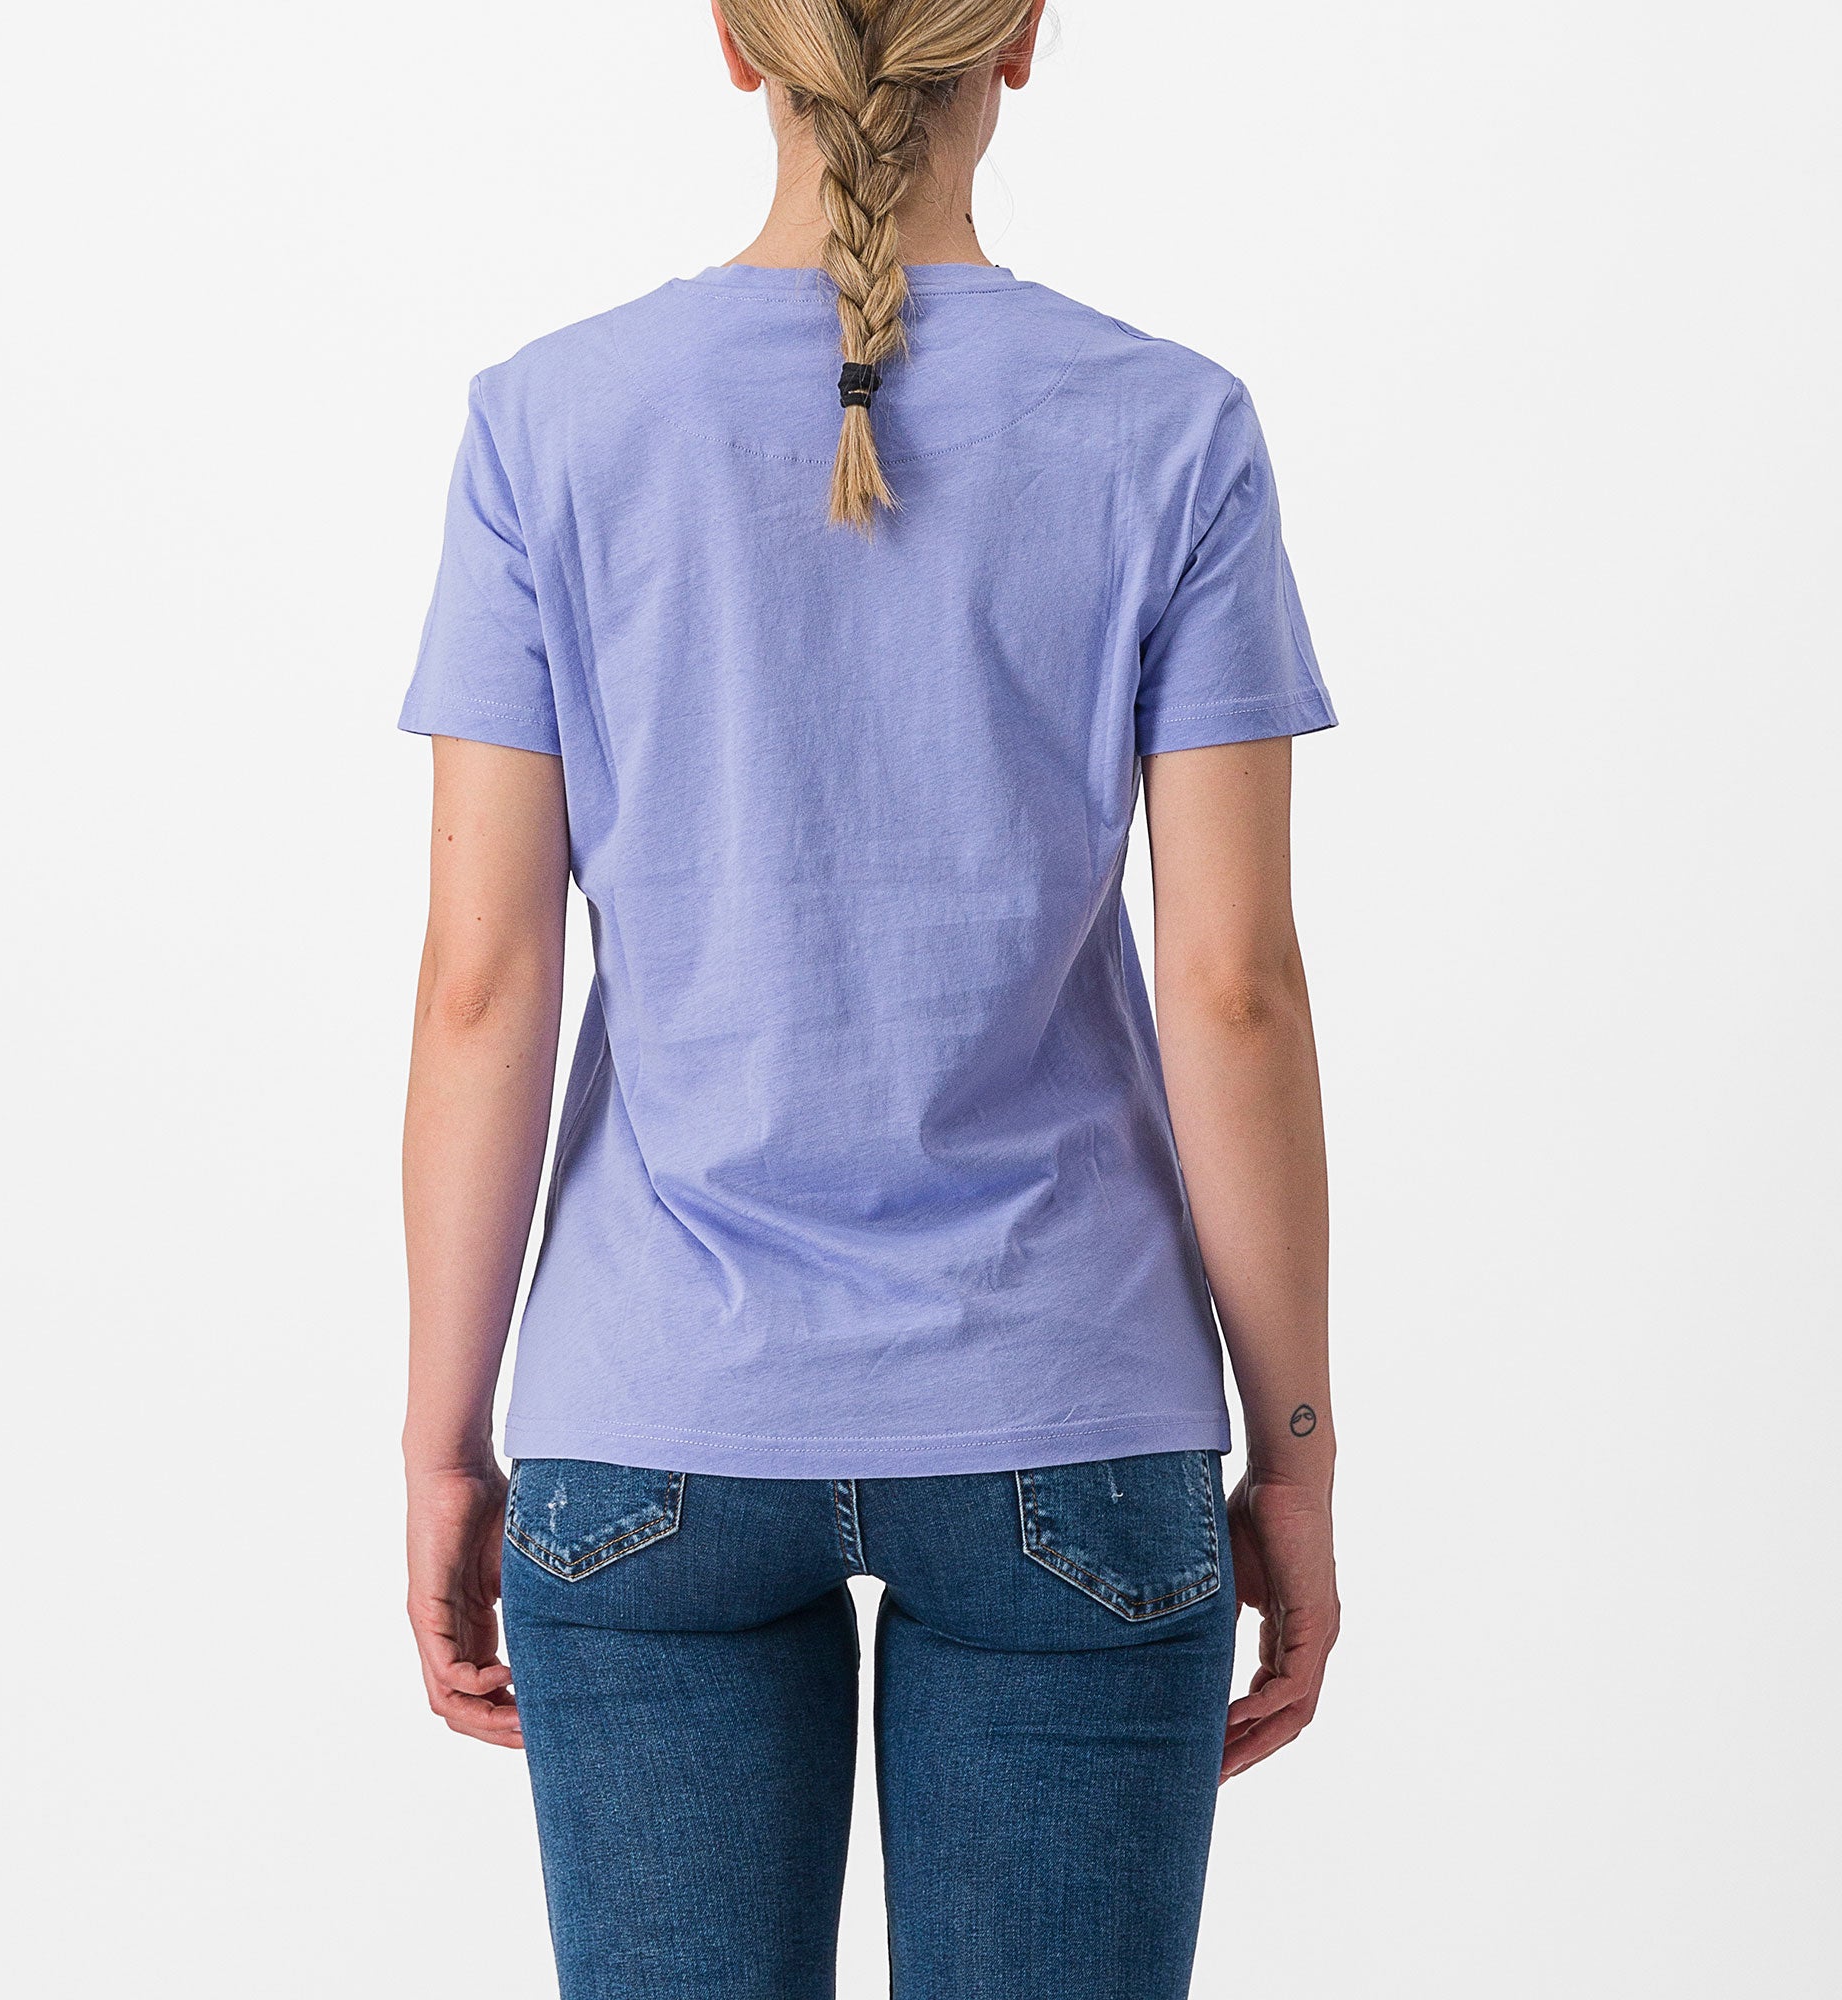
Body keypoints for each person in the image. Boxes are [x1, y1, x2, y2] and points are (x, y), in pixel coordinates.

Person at [398, 3, 1341, 1993]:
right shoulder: (1172, 431)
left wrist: (447, 1437)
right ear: (1021, 38)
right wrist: (1297, 1451)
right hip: (1068, 1412)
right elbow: (1232, 989)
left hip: (651, 1415)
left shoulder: (551, 426)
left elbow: (483, 983)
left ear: (737, 45)